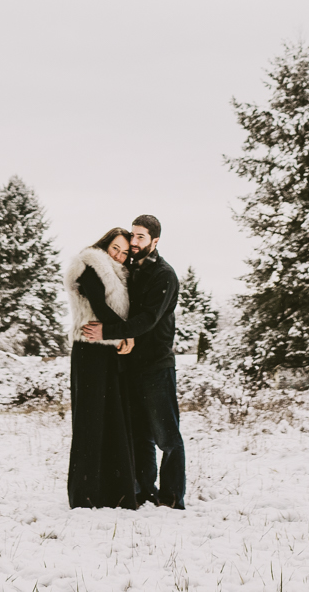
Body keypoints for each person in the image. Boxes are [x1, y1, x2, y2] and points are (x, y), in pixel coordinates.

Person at [81, 212, 183, 509]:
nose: (135, 242)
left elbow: (148, 319)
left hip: (157, 364)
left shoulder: (163, 274)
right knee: (140, 436)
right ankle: (144, 492)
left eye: (140, 237)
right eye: (133, 235)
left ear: (155, 241)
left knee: (167, 437)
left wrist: (108, 332)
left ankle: (173, 497)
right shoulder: (130, 270)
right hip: (130, 365)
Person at [63, 227, 141, 509]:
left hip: (107, 351)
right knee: (89, 421)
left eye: (124, 252)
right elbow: (100, 306)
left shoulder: (118, 275)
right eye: (115, 249)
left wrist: (119, 335)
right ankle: (85, 495)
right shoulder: (90, 266)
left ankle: (112, 492)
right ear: (104, 246)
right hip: (89, 349)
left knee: (112, 419)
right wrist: (126, 334)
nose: (119, 255)